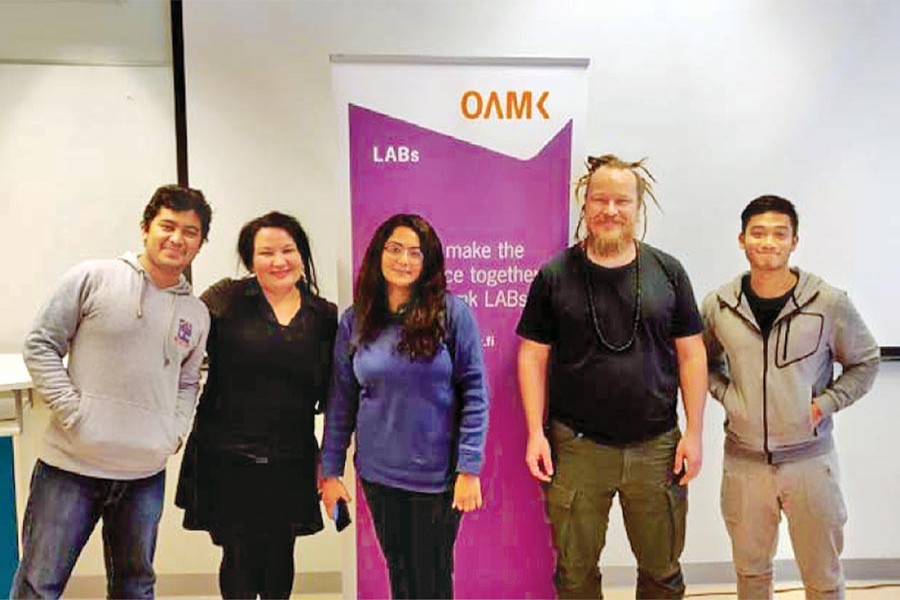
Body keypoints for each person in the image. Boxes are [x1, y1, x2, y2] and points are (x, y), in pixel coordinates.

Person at [516, 154, 707, 599]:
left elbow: (692, 354)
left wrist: (695, 433)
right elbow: (531, 357)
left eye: (622, 201)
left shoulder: (668, 272)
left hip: (657, 447)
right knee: (575, 573)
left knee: (662, 572)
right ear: (584, 204)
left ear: (638, 207)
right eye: (599, 199)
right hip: (577, 448)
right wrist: (535, 433)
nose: (610, 210)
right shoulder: (554, 275)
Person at [12, 185, 212, 599]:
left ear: (200, 242)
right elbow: (41, 345)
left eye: (190, 231)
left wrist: (173, 432)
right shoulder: (92, 277)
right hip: (70, 468)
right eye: (167, 226)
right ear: (146, 228)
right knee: (39, 585)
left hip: (143, 475)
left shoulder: (196, 313)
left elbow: (188, 381)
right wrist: (74, 414)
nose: (177, 238)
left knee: (135, 588)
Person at [701, 195, 879, 599]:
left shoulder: (828, 303)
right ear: (742, 239)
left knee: (823, 579)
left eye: (780, 234)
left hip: (810, 464)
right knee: (751, 576)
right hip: (744, 465)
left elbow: (866, 361)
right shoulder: (718, 305)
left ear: (794, 241)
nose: (768, 242)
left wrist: (823, 405)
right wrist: (729, 396)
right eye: (758, 233)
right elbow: (701, 362)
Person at [320, 213, 489, 599]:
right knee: (400, 574)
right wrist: (330, 471)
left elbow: (476, 394)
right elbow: (341, 401)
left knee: (431, 579)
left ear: (428, 262)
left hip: (438, 479)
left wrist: (469, 468)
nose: (404, 260)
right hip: (379, 475)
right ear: (378, 253)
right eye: (395, 249)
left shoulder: (452, 314)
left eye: (415, 252)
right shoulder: (356, 320)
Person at [175, 211, 337, 599]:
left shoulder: (324, 316)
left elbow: (335, 394)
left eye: (288, 250)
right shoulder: (225, 299)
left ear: (302, 254)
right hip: (226, 456)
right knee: (239, 555)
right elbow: (176, 342)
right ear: (250, 260)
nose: (279, 261)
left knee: (281, 554)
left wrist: (330, 461)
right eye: (266, 253)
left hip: (291, 457)